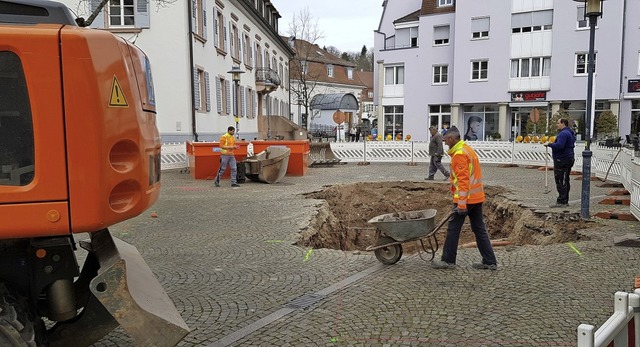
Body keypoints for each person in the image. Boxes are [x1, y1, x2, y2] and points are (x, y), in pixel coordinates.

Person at [431, 126, 498, 270]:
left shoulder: (460, 154)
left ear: (452, 138)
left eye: (446, 140)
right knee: (479, 229)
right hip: (476, 197)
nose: (445, 143)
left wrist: (461, 204)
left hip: (466, 200)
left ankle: (448, 260)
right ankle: (489, 260)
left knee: (453, 229)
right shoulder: (467, 149)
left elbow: (463, 181)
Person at [545, 118, 576, 207]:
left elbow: (560, 146)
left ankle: (562, 201)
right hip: (569, 158)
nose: (557, 125)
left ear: (563, 124)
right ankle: (565, 199)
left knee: (560, 180)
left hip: (562, 159)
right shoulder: (570, 133)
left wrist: (549, 144)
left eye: (558, 123)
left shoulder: (563, 134)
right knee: (565, 179)